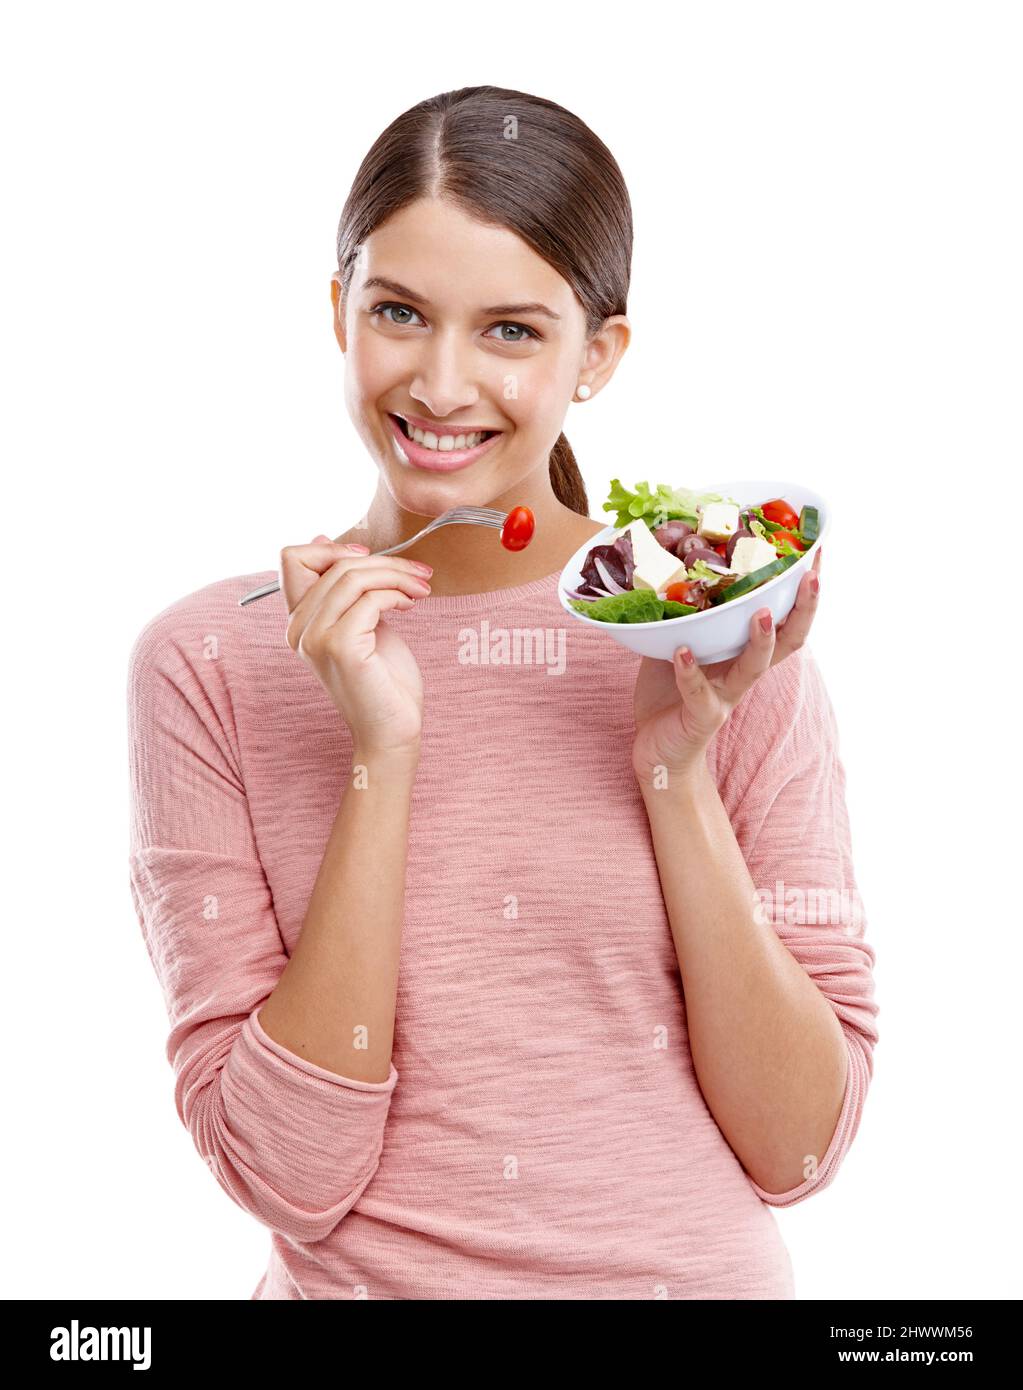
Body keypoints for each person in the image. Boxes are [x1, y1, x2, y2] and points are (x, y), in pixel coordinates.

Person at [126, 84, 878, 1300]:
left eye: (512, 331)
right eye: (400, 313)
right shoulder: (209, 662)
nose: (439, 381)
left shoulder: (721, 644)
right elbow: (290, 1174)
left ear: (600, 356)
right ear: (338, 313)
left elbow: (796, 1147)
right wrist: (383, 751)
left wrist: (673, 776)